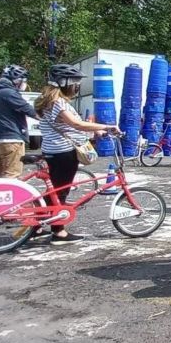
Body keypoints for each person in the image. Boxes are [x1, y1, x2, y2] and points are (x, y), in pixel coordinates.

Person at [36, 64, 120, 245]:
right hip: (62, 153)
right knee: (61, 191)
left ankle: (38, 225)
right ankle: (58, 232)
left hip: (51, 150)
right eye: (75, 82)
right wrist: (105, 127)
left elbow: (68, 126)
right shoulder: (58, 103)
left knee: (55, 190)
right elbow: (76, 124)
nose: (77, 86)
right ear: (64, 83)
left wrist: (95, 132)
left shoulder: (45, 101)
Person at [0, 65, 38, 178]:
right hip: (11, 139)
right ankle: (8, 195)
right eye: (24, 80)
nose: (25, 84)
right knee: (12, 174)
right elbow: (29, 110)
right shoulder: (10, 93)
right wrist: (50, 120)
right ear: (17, 80)